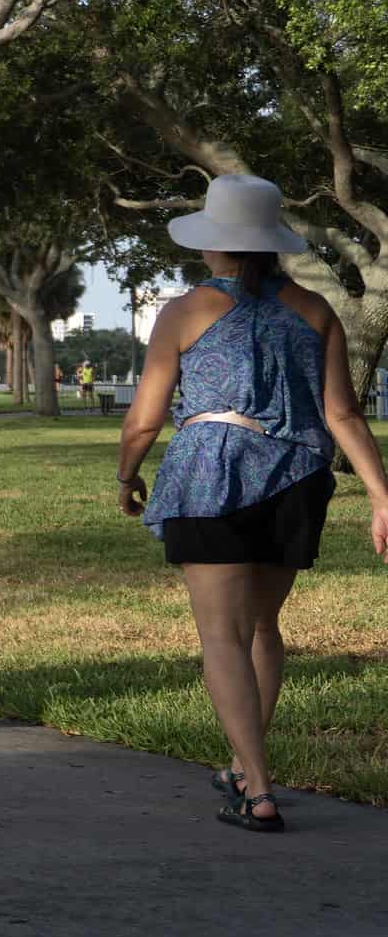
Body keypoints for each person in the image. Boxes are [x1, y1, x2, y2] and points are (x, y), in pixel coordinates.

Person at [118, 174, 388, 833]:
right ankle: (246, 765)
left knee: (222, 636)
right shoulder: (315, 309)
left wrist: (126, 471)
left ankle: (258, 788)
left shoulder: (183, 311)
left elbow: (147, 415)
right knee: (263, 628)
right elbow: (344, 414)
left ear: (217, 245)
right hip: (297, 479)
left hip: (212, 473)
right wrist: (381, 495)